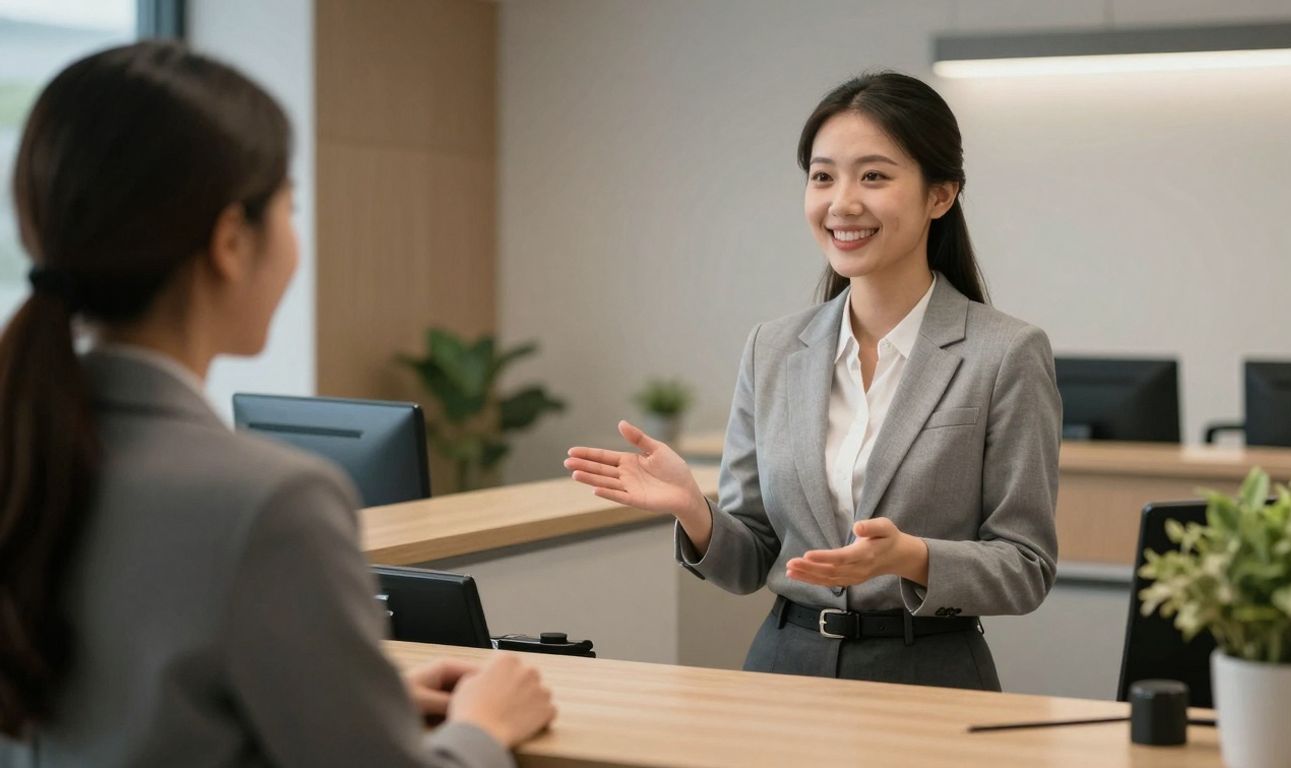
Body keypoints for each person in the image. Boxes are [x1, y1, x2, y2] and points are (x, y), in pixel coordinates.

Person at [0, 42, 553, 767]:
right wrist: (483, 726)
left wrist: (349, 698)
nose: (295, 240)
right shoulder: (270, 503)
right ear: (231, 240)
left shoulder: (30, 450)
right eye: (290, 206)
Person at [565, 71, 1062, 689]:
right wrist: (695, 512)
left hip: (929, 680)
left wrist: (911, 556)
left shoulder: (1006, 354)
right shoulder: (771, 348)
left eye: (873, 176)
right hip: (783, 673)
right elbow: (752, 562)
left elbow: (1026, 566)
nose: (841, 202)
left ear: (941, 195)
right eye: (823, 176)